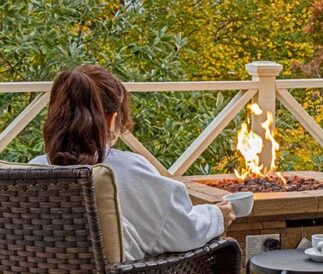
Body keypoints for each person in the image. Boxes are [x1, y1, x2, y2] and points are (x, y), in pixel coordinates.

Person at [31, 65, 233, 261]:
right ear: (112, 120)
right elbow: (182, 231)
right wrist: (216, 215)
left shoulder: (29, 172)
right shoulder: (127, 170)